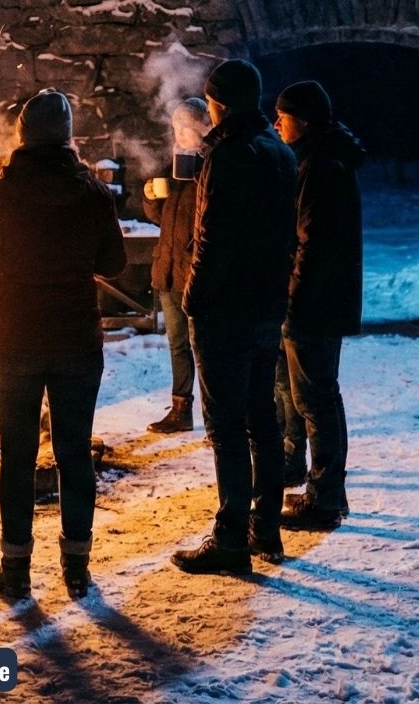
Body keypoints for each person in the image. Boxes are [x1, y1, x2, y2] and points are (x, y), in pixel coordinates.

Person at [0, 89, 126, 601]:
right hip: (76, 340)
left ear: (24, 136)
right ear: (69, 136)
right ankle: (76, 566)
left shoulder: (2, 195)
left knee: (17, 456)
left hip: (15, 341)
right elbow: (114, 263)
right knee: (74, 453)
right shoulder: (92, 193)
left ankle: (16, 568)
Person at [173, 58, 298, 574]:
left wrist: (193, 299)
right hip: (266, 305)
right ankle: (264, 527)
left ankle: (230, 538)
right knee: (261, 419)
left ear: (219, 103)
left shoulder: (227, 155)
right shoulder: (279, 151)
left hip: (225, 310)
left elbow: (212, 240)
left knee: (226, 426)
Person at [274, 80, 364, 530]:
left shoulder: (320, 166)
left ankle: (325, 500)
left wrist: (292, 299)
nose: (276, 124)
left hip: (314, 303)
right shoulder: (319, 159)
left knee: (316, 399)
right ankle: (324, 490)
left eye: (283, 117)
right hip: (318, 299)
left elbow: (312, 244)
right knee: (316, 396)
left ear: (304, 121)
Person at [142, 97, 209, 434]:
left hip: (195, 273)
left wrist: (196, 181)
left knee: (203, 347)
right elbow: (162, 219)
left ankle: (216, 417)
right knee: (178, 345)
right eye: (177, 127)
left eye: (187, 126)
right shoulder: (173, 166)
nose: (180, 133)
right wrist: (152, 197)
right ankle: (181, 410)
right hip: (169, 272)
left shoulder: (210, 167)